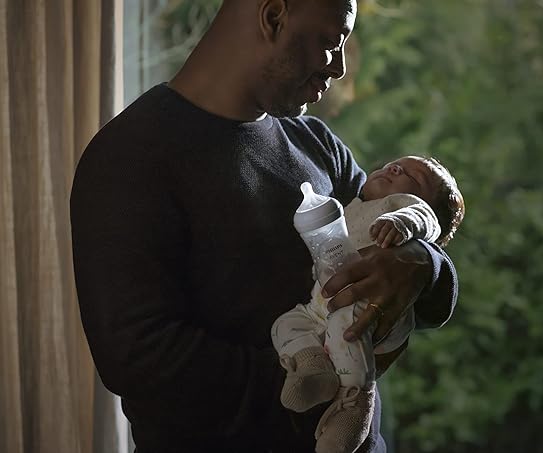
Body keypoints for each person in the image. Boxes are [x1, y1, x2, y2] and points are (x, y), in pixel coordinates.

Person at [70, 0, 459, 451]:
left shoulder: (317, 145)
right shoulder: (128, 158)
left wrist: (424, 264)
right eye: (332, 42)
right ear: (273, 17)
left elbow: (424, 290)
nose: (339, 67)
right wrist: (318, 382)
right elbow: (139, 359)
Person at [272, 156, 465, 452]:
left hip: (364, 305)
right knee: (287, 325)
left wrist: (403, 225)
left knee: (346, 333)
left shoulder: (402, 207)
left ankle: (354, 405)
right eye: (393, 165)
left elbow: (426, 220)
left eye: (413, 177)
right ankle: (312, 366)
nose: (394, 168)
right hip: (323, 306)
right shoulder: (354, 205)